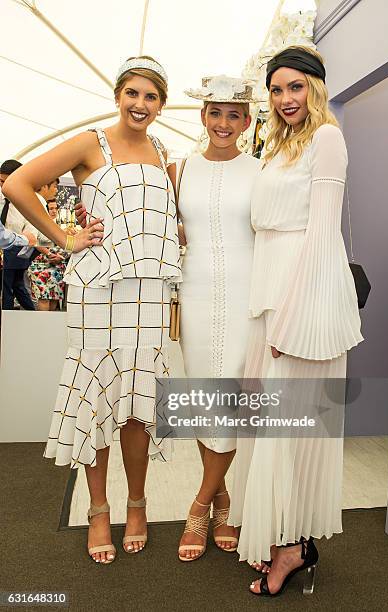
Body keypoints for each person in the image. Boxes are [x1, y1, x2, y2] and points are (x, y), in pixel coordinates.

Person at [3, 55, 181, 565]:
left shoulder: (163, 149)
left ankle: (138, 504)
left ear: (162, 104)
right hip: (98, 291)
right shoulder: (90, 142)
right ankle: (99, 510)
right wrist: (65, 237)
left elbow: (165, 221)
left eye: (151, 97)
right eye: (133, 94)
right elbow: (18, 183)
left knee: (137, 405)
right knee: (96, 403)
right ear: (118, 95)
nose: (140, 105)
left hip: (147, 293)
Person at [228, 46, 363, 597]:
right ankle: (289, 541)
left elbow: (323, 234)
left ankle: (291, 548)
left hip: (301, 304)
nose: (286, 99)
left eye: (296, 87)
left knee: (296, 433)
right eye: (277, 89)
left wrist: (291, 316)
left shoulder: (328, 138)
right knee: (274, 429)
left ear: (316, 87)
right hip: (270, 301)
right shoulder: (278, 146)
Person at [176, 76, 262, 561]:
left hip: (246, 297)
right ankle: (223, 496)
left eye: (234, 115)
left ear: (247, 121)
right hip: (196, 295)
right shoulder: (180, 169)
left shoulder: (261, 170)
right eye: (215, 113)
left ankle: (200, 502)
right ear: (203, 116)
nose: (223, 123)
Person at [1, 159, 38, 310]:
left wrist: (23, 240)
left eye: (6, 181)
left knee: (10, 288)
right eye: (0, 181)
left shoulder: (28, 202)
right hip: (9, 247)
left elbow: (32, 233)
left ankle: (9, 323)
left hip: (17, 251)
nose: (2, 186)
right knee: (14, 287)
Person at [28, 196, 67, 311]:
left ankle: (51, 327)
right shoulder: (38, 223)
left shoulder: (60, 225)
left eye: (55, 208)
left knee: (55, 297)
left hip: (57, 265)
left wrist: (62, 256)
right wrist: (49, 254)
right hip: (40, 263)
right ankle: (42, 327)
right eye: (51, 208)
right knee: (44, 297)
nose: (54, 211)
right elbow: (34, 241)